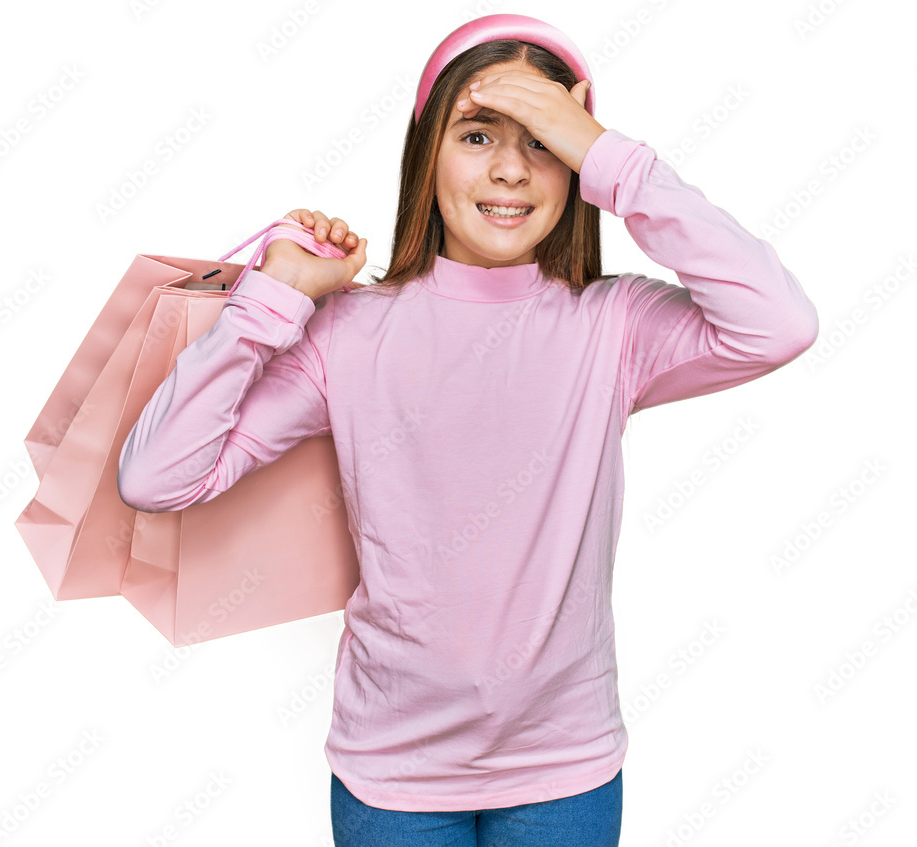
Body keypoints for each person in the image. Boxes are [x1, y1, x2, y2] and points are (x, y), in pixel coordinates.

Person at [117, 13, 819, 846]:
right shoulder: (347, 333)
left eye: (545, 141)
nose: (513, 170)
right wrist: (271, 302)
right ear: (427, 156)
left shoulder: (614, 325)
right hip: (393, 772)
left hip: (567, 770)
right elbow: (156, 477)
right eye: (479, 135)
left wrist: (611, 157)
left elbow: (779, 323)